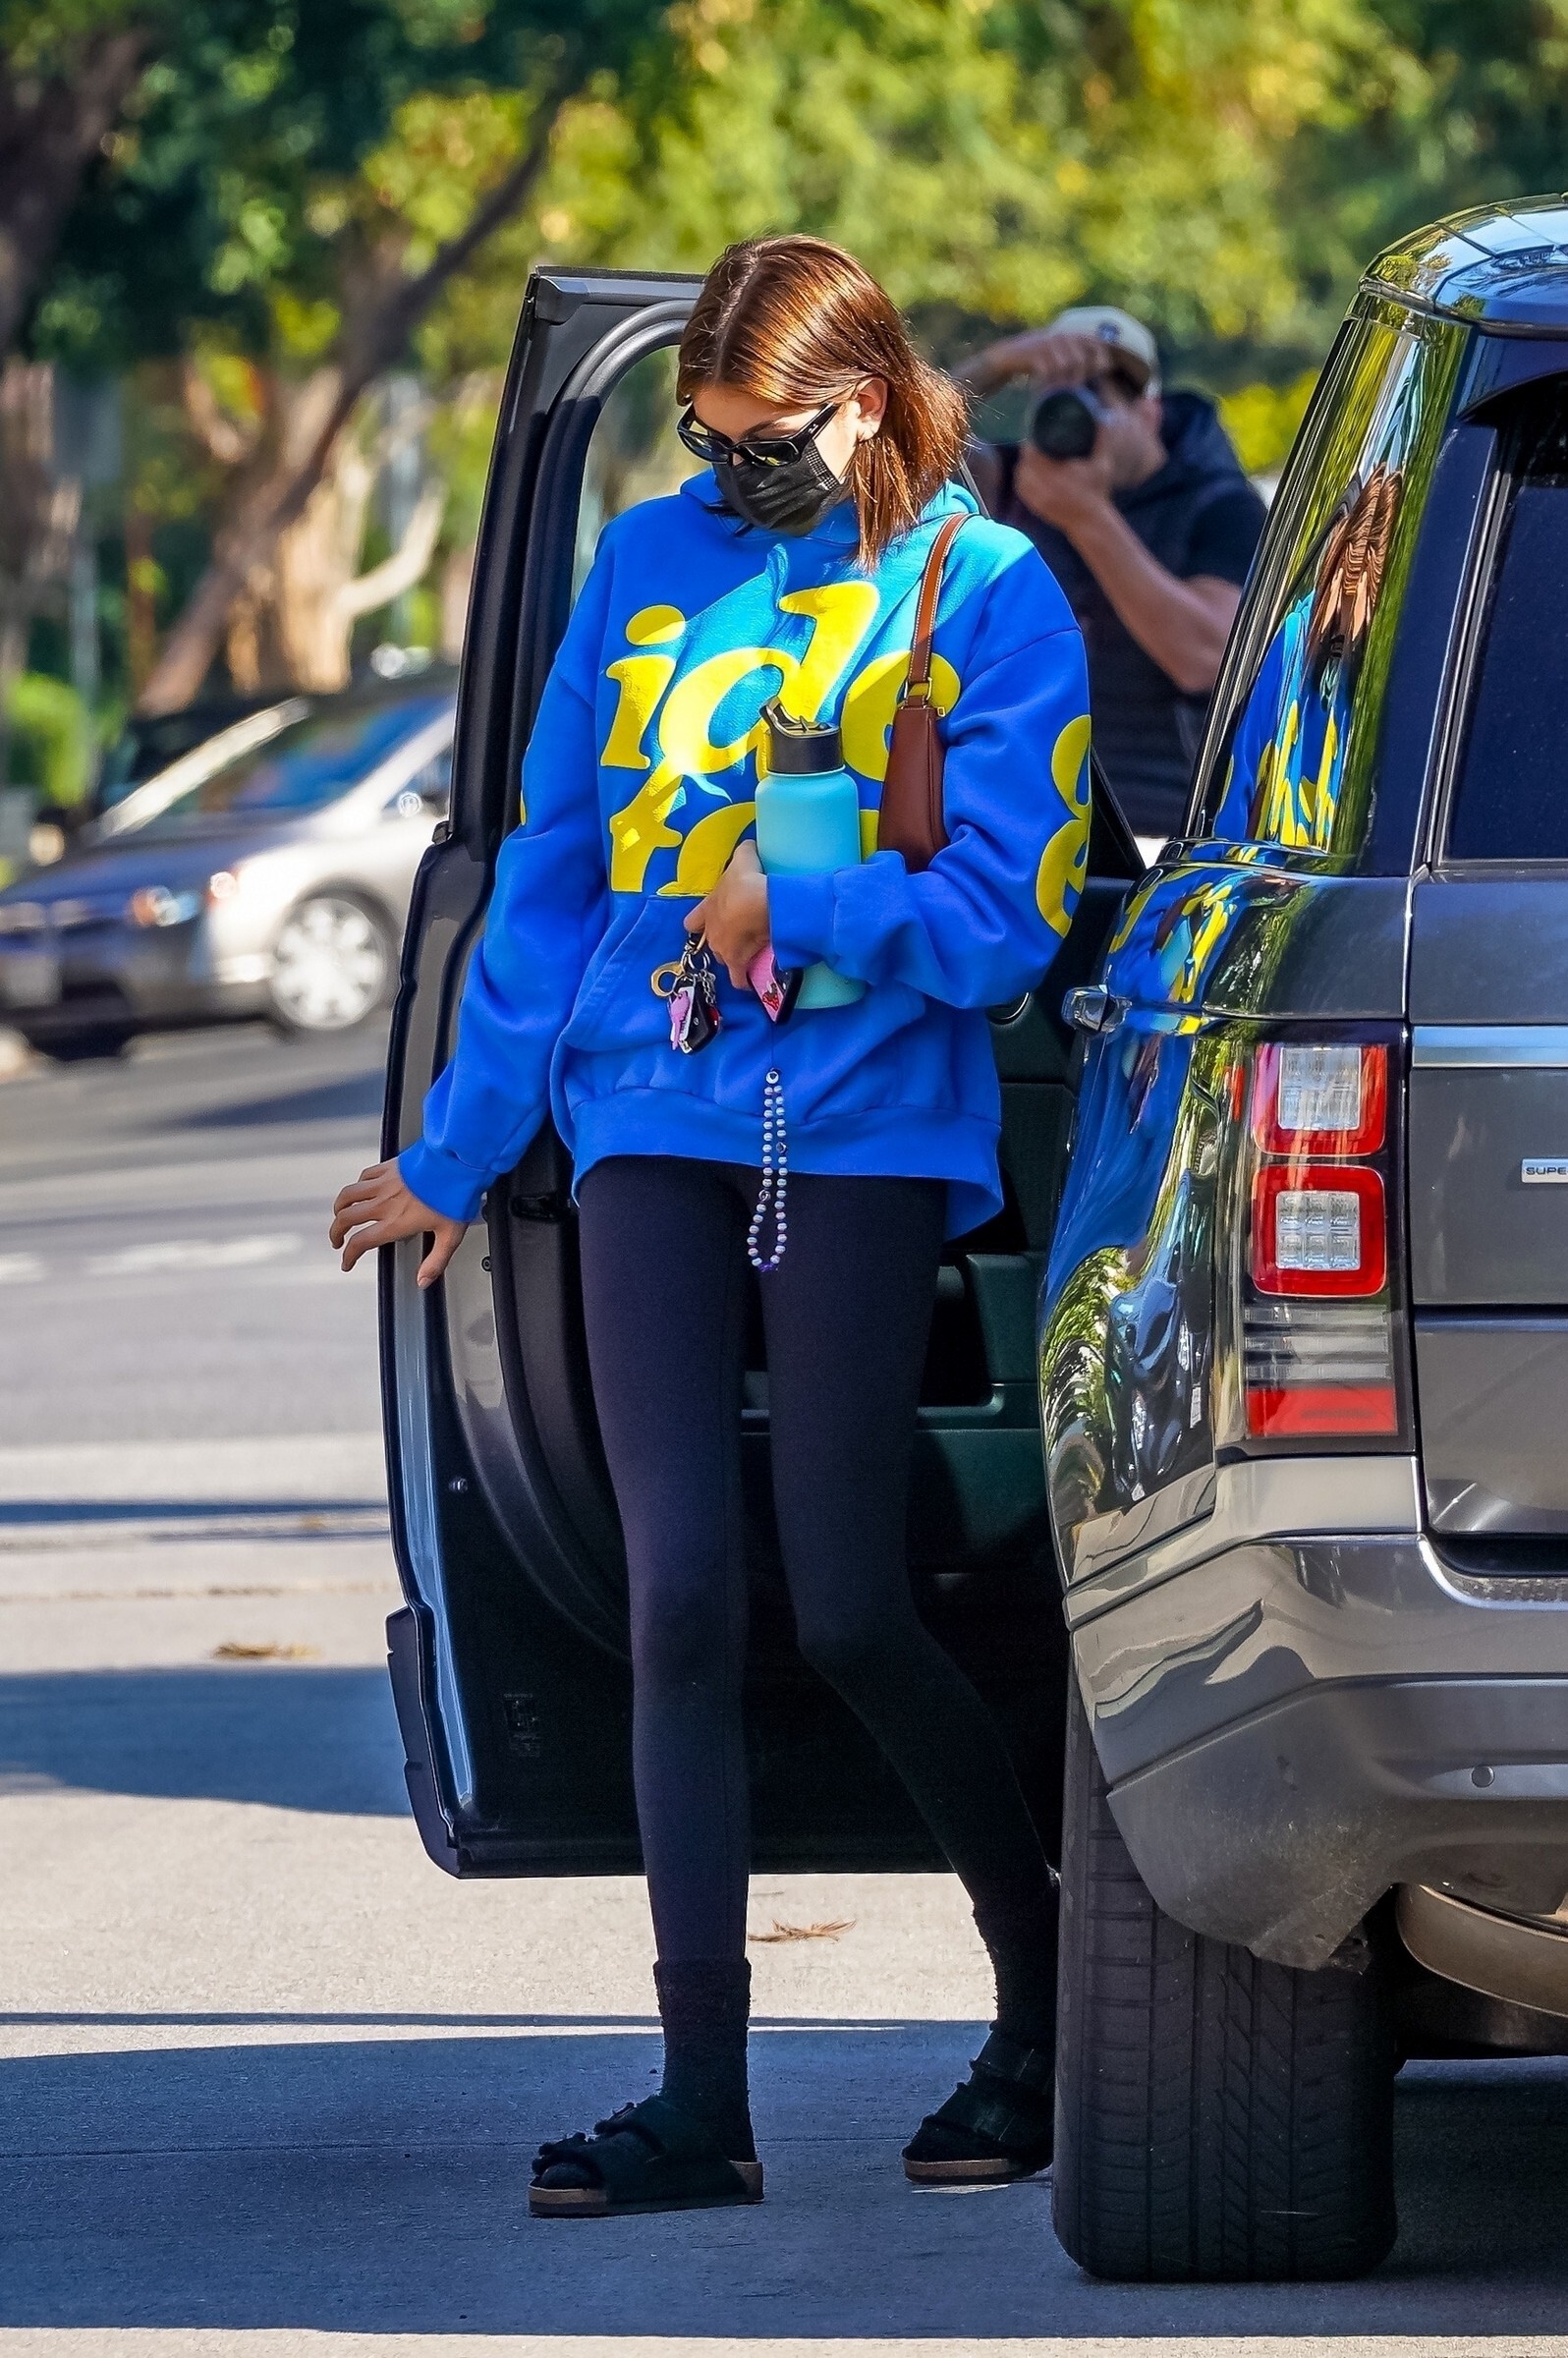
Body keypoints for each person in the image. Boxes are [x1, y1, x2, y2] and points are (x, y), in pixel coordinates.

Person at [330, 235, 1092, 2220]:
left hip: (863, 1128)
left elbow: (1010, 917)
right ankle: (701, 2101)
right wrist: (459, 1145)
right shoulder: (645, 566)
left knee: (844, 1603)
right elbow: (552, 874)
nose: (736, 475)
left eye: (773, 441)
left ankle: (1050, 2004)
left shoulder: (985, 592)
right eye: (709, 439)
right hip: (646, 1111)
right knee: (675, 1598)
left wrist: (795, 906)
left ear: (872, 401)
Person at [960, 305, 1265, 845]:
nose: (1076, 420)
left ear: (1149, 412)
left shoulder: (1221, 507)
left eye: (1095, 396)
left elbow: (1207, 660)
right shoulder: (1015, 482)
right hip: (1035, 818)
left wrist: (1087, 517)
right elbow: (895, 441)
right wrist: (1001, 362)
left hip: (1169, 829)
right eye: (1057, 400)